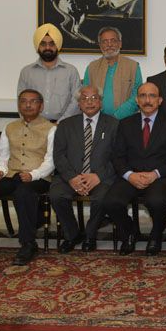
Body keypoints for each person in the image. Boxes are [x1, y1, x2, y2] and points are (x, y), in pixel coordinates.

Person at [0, 89, 56, 265]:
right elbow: (3, 155)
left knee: (23, 194)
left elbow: (51, 160)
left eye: (33, 101)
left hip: (39, 178)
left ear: (41, 106)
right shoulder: (10, 127)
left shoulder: (51, 129)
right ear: (18, 105)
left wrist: (33, 175)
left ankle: (28, 243)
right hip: (11, 174)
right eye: (23, 101)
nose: (28, 105)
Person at [103, 82, 166, 255]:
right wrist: (129, 175)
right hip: (131, 175)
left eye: (152, 96)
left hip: (160, 176)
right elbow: (117, 156)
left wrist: (155, 174)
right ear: (137, 101)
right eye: (143, 96)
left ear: (160, 100)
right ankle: (130, 232)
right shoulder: (125, 124)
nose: (147, 100)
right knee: (110, 202)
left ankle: (156, 235)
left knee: (156, 201)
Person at [49, 85, 119, 253]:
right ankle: (72, 234)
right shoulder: (65, 125)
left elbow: (118, 157)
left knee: (102, 198)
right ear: (79, 104)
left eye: (94, 98)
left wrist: (98, 176)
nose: (90, 102)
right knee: (56, 195)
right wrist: (72, 177)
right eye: (84, 98)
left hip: (101, 177)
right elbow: (58, 155)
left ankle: (90, 235)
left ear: (101, 102)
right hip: (70, 176)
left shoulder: (114, 124)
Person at [17, 23, 80, 122]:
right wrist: (31, 123)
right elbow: (21, 101)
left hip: (64, 125)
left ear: (57, 46)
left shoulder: (71, 71)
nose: (47, 48)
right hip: (34, 125)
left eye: (52, 44)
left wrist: (60, 124)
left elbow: (76, 101)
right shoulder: (26, 72)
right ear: (37, 46)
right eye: (43, 44)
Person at [82, 26, 143, 120]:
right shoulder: (91, 68)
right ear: (100, 45)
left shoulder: (133, 66)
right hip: (98, 121)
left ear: (120, 44)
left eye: (113, 41)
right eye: (105, 41)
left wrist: (117, 116)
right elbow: (85, 95)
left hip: (126, 120)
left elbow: (137, 94)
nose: (109, 44)